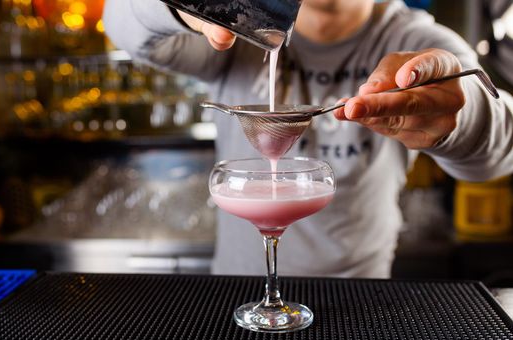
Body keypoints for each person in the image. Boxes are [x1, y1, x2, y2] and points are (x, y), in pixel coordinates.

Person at [103, 0, 513, 278]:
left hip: (358, 299)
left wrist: (462, 117)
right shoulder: (232, 30)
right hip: (237, 291)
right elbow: (122, 23)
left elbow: (496, 149)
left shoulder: (410, 39)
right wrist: (181, 7)